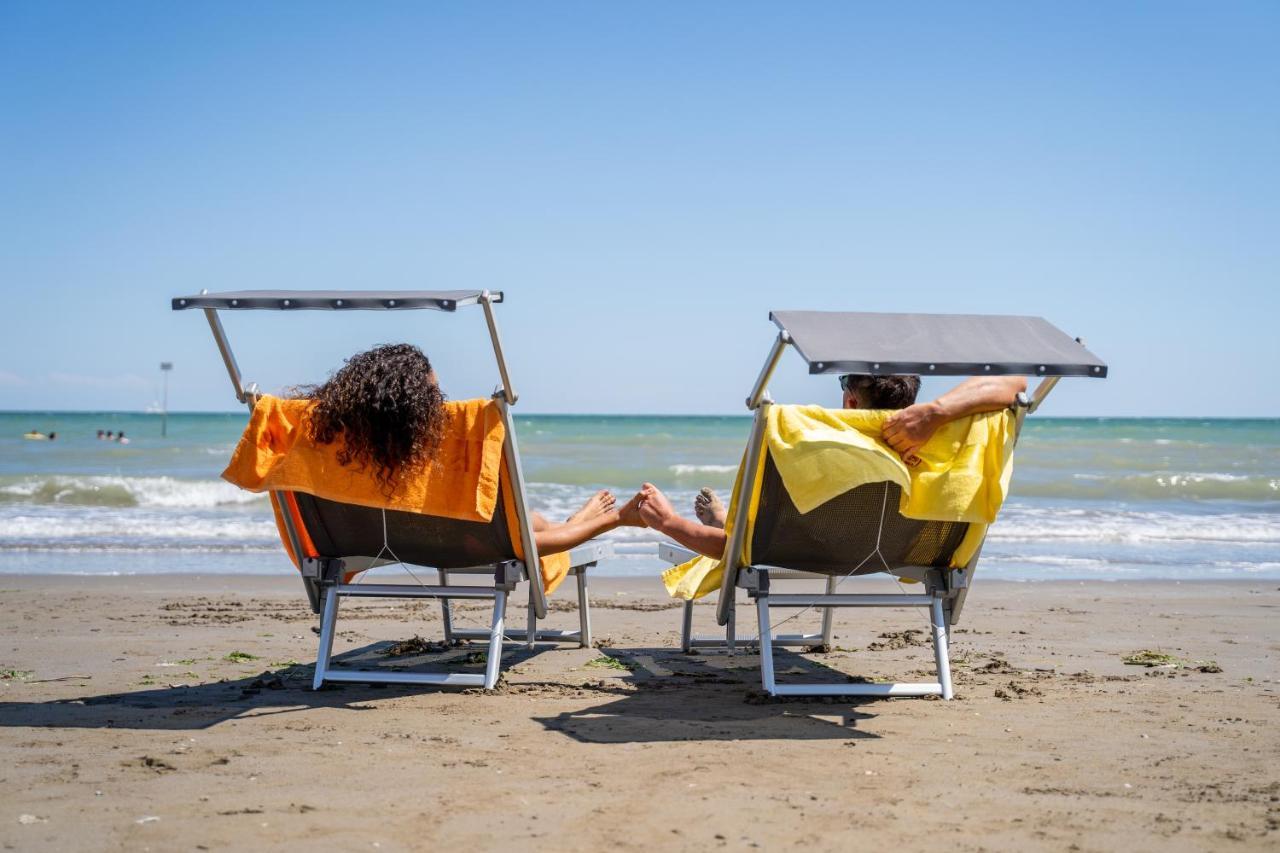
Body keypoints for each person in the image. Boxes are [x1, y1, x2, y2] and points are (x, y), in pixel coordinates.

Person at [298, 343, 646, 556]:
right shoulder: (439, 456)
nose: (439, 404)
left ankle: (569, 522)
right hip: (456, 548)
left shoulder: (332, 457)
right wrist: (615, 519)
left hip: (367, 546)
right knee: (522, 532)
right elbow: (524, 548)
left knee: (527, 521)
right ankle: (589, 522)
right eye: (432, 397)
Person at [639, 373, 1027, 558]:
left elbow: (739, 552)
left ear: (851, 402)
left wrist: (668, 523)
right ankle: (725, 517)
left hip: (806, 548)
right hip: (902, 554)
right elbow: (1015, 384)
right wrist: (935, 415)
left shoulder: (810, 436)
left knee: (746, 534)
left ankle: (725, 518)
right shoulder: (942, 439)